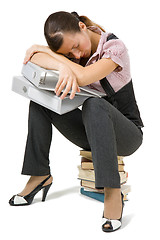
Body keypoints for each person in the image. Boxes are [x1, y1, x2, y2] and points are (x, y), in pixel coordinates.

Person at [9, 11, 143, 232]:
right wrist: (61, 65)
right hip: (93, 133)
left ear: (82, 27)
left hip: (127, 135)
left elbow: (82, 76)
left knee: (94, 104)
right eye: (69, 52)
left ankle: (112, 191)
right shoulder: (71, 55)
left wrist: (44, 50)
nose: (77, 53)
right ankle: (40, 174)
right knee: (40, 101)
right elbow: (33, 58)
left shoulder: (114, 48)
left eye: (76, 46)